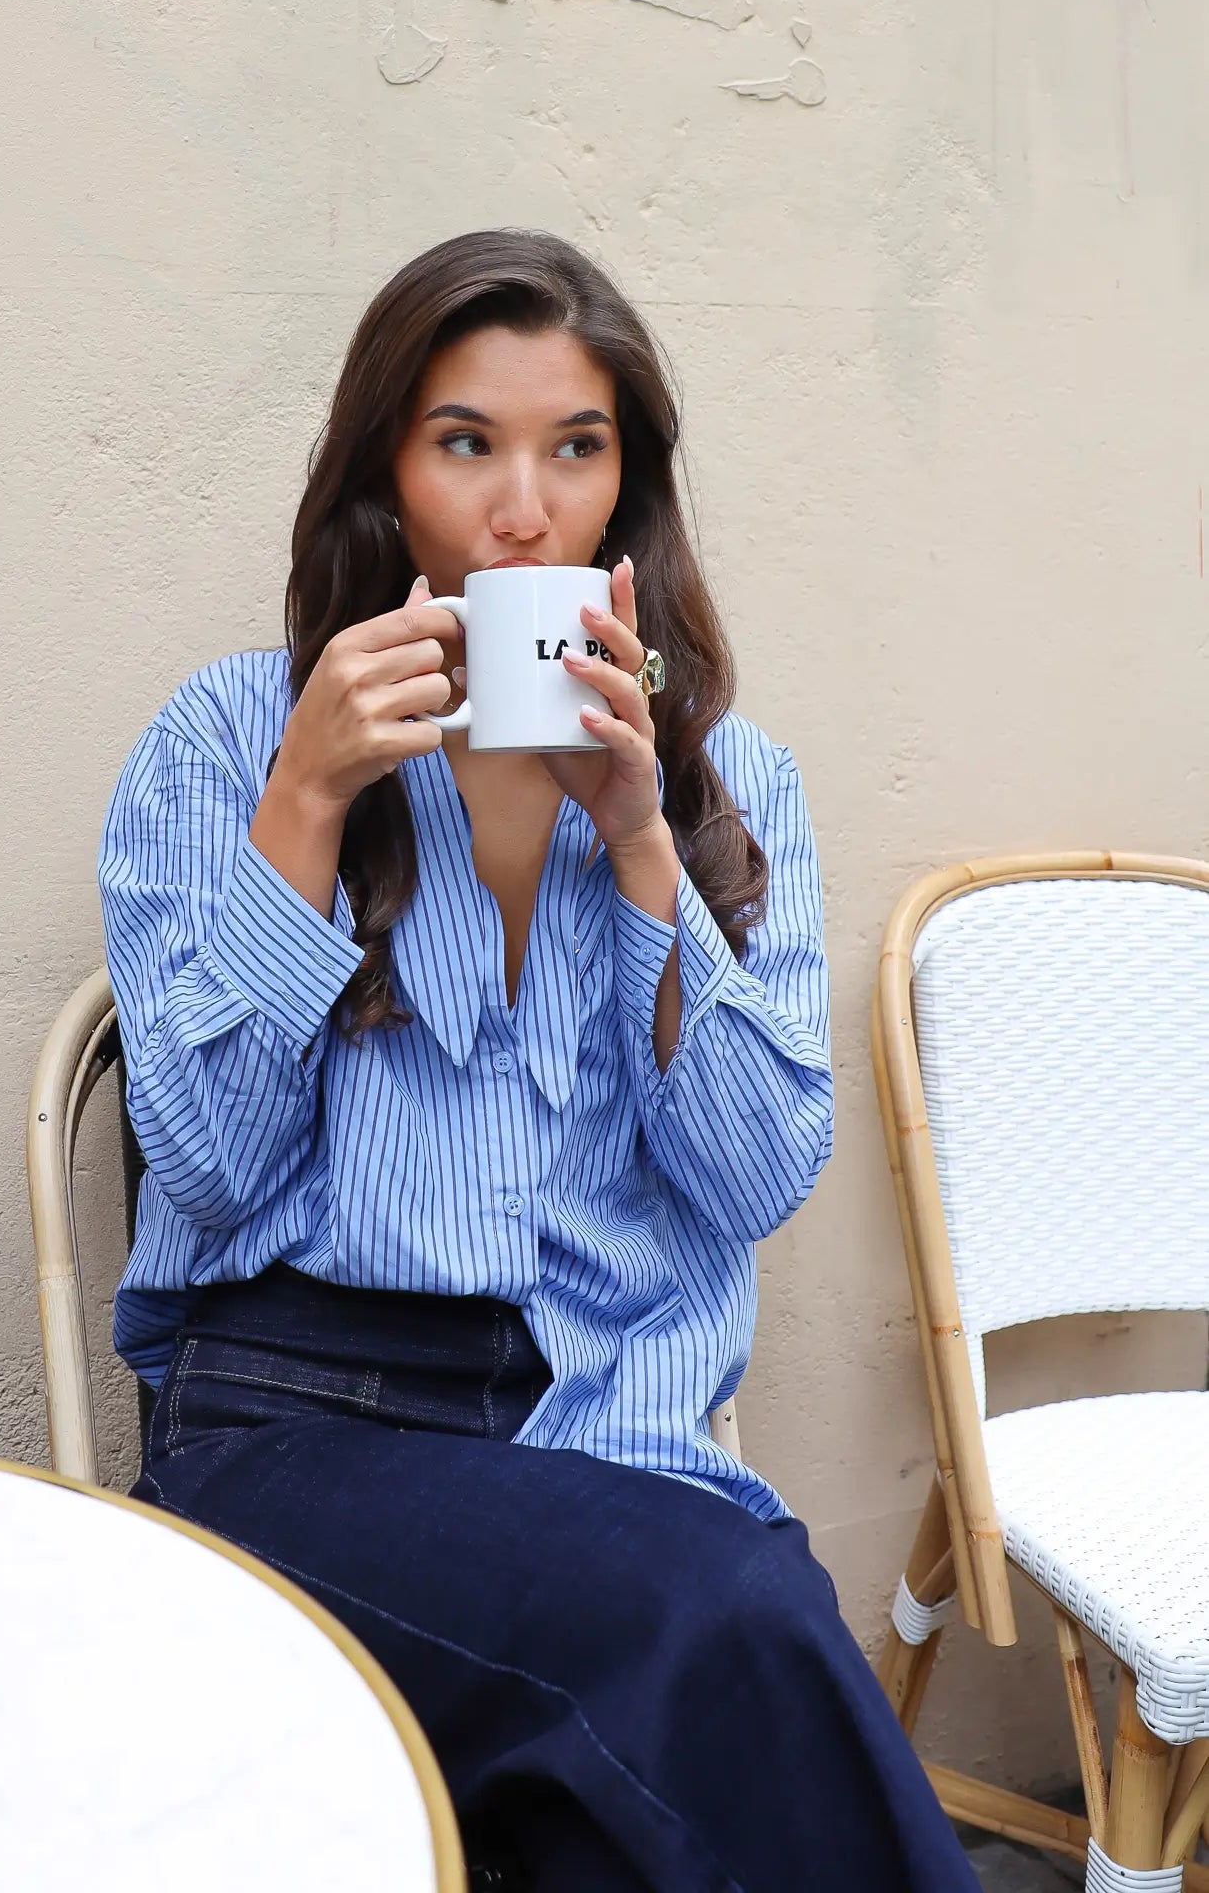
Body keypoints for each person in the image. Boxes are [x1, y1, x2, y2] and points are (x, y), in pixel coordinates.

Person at [98, 229, 979, 1892]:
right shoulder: (229, 743)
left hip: (608, 1431)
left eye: (575, 448)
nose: (522, 511)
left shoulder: (726, 785)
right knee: (729, 1611)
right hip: (303, 1427)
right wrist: (305, 806)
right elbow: (205, 1165)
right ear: (384, 475)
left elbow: (753, 1178)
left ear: (624, 492)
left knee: (622, 1808)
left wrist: (644, 847)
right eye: (465, 444)